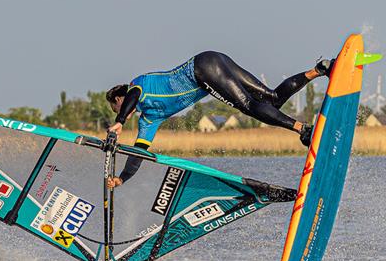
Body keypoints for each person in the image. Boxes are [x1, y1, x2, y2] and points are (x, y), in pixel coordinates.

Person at [105, 51, 334, 187]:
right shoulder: (149, 119)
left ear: (119, 98)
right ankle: (319, 70)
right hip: (211, 61)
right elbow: (140, 153)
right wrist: (122, 179)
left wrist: (121, 121)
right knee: (271, 99)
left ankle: (303, 130)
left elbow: (132, 96)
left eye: (117, 106)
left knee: (249, 107)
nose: (120, 110)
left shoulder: (139, 85)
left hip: (202, 69)